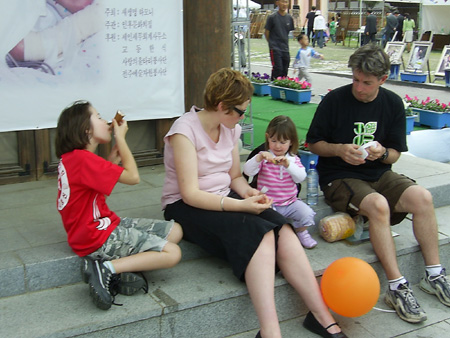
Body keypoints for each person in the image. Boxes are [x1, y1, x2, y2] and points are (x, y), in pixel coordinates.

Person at [162, 68, 347, 338]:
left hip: (224, 195)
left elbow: (235, 177)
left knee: (281, 227)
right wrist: (241, 205)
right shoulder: (184, 131)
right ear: (223, 106)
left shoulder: (230, 129)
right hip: (184, 205)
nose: (242, 118)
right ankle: (270, 332)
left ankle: (321, 316)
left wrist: (249, 194)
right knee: (259, 231)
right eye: (240, 111)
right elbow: (190, 193)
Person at [306, 43, 450, 324]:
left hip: (378, 173)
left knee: (422, 197)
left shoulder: (392, 103)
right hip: (337, 176)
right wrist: (339, 150)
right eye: (355, 80)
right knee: (378, 205)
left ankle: (434, 274)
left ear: (383, 80)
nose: (359, 88)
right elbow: (313, 144)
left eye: (366, 83)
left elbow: (396, 152)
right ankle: (396, 286)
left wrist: (382, 152)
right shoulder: (334, 100)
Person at [55, 101, 182, 310]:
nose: (105, 121)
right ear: (85, 129)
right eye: (97, 117)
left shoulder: (75, 159)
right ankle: (107, 268)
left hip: (100, 227)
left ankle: (122, 269)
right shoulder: (83, 160)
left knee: (174, 231)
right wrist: (121, 139)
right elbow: (133, 177)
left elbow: (99, 178)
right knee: (173, 253)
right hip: (97, 236)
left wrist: (114, 153)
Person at [243, 115, 318, 249]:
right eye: (274, 140)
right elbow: (248, 171)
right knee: (269, 222)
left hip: (290, 203)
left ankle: (301, 231)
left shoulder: (294, 160)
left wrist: (288, 165)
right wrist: (258, 158)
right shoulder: (264, 157)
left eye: (283, 142)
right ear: (267, 137)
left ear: (291, 142)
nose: (277, 146)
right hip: (269, 204)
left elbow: (300, 178)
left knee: (306, 213)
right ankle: (275, 239)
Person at [264, 0, 294, 80]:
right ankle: (273, 87)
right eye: (282, 2)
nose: (284, 4)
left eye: (286, 2)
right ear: (277, 3)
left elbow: (287, 32)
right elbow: (266, 32)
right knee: (278, 68)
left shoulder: (289, 18)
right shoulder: (272, 17)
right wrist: (271, 43)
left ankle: (281, 88)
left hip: (285, 48)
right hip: (275, 48)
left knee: (285, 69)